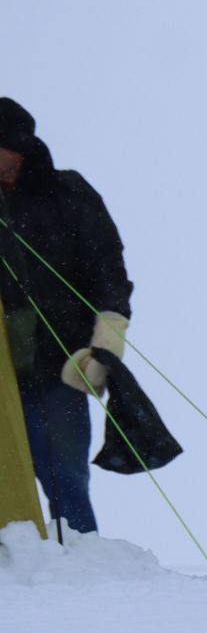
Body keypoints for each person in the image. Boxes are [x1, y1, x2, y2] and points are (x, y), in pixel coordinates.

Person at [0, 98, 132, 536]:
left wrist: (107, 340)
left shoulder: (67, 193)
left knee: (64, 474)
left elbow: (108, 268)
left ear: (16, 147)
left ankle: (81, 569)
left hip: (59, 358)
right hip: (4, 364)